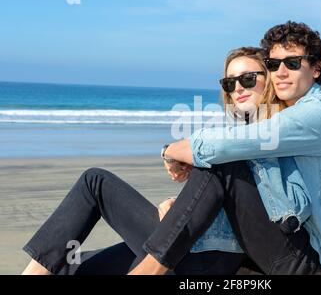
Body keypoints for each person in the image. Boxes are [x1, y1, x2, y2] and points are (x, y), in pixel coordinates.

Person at [21, 47, 288, 275]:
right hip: (190, 243)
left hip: (206, 256)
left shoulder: (273, 134)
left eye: (248, 78)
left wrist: (170, 155)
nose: (238, 87)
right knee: (70, 264)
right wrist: (178, 208)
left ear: (271, 80)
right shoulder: (242, 134)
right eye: (230, 83)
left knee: (95, 182)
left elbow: (253, 212)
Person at [129, 21, 321, 275]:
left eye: (293, 63)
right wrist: (182, 205)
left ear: (316, 68)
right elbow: (249, 199)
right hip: (270, 256)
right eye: (274, 65)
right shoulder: (287, 117)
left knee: (224, 160)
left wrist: (171, 150)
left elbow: (224, 147)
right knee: (94, 190)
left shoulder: (319, 113)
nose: (281, 72)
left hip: (313, 264)